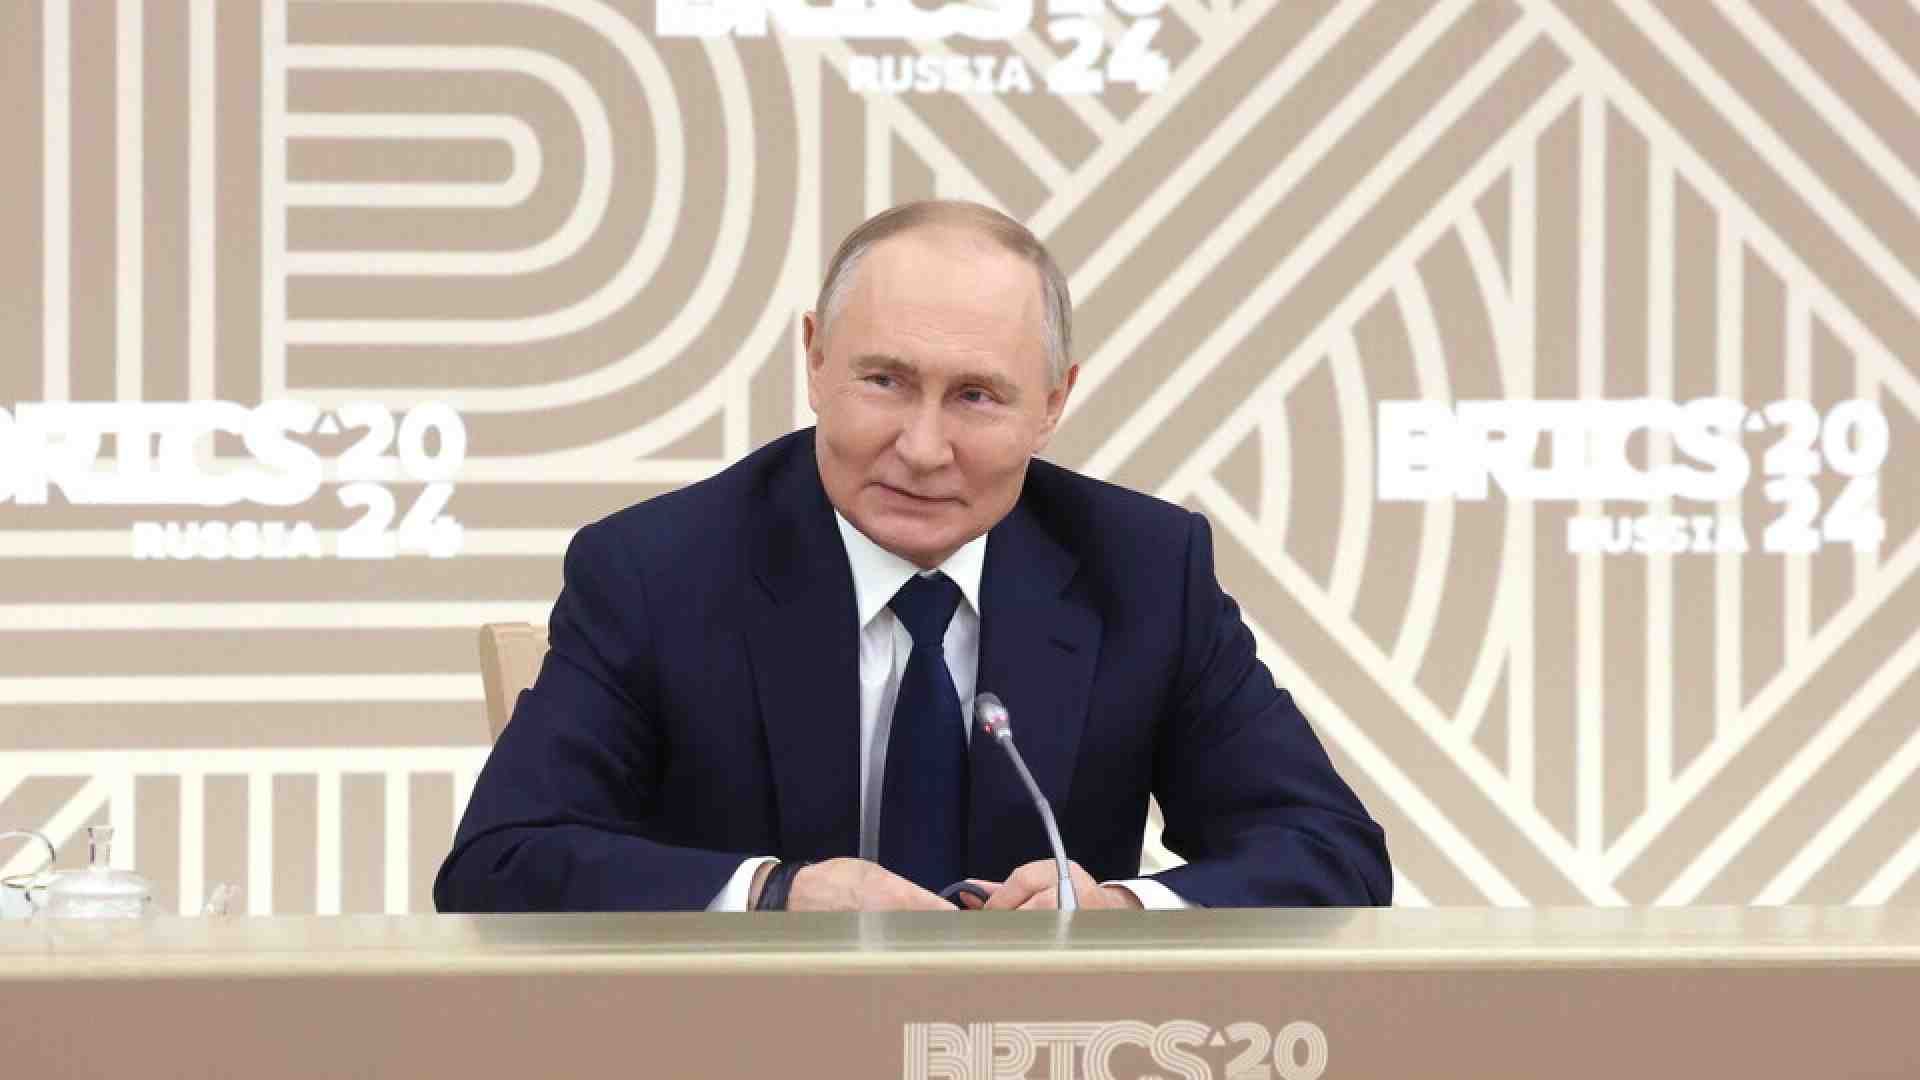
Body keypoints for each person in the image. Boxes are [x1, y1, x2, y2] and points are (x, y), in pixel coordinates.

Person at [435, 200, 1390, 913]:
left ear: (1053, 403)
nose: (924, 448)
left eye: (977, 396)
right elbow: (499, 863)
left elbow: (1330, 851)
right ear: (815, 360)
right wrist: (773, 894)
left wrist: (1123, 912)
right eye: (885, 381)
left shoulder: (1145, 570)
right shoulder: (655, 571)